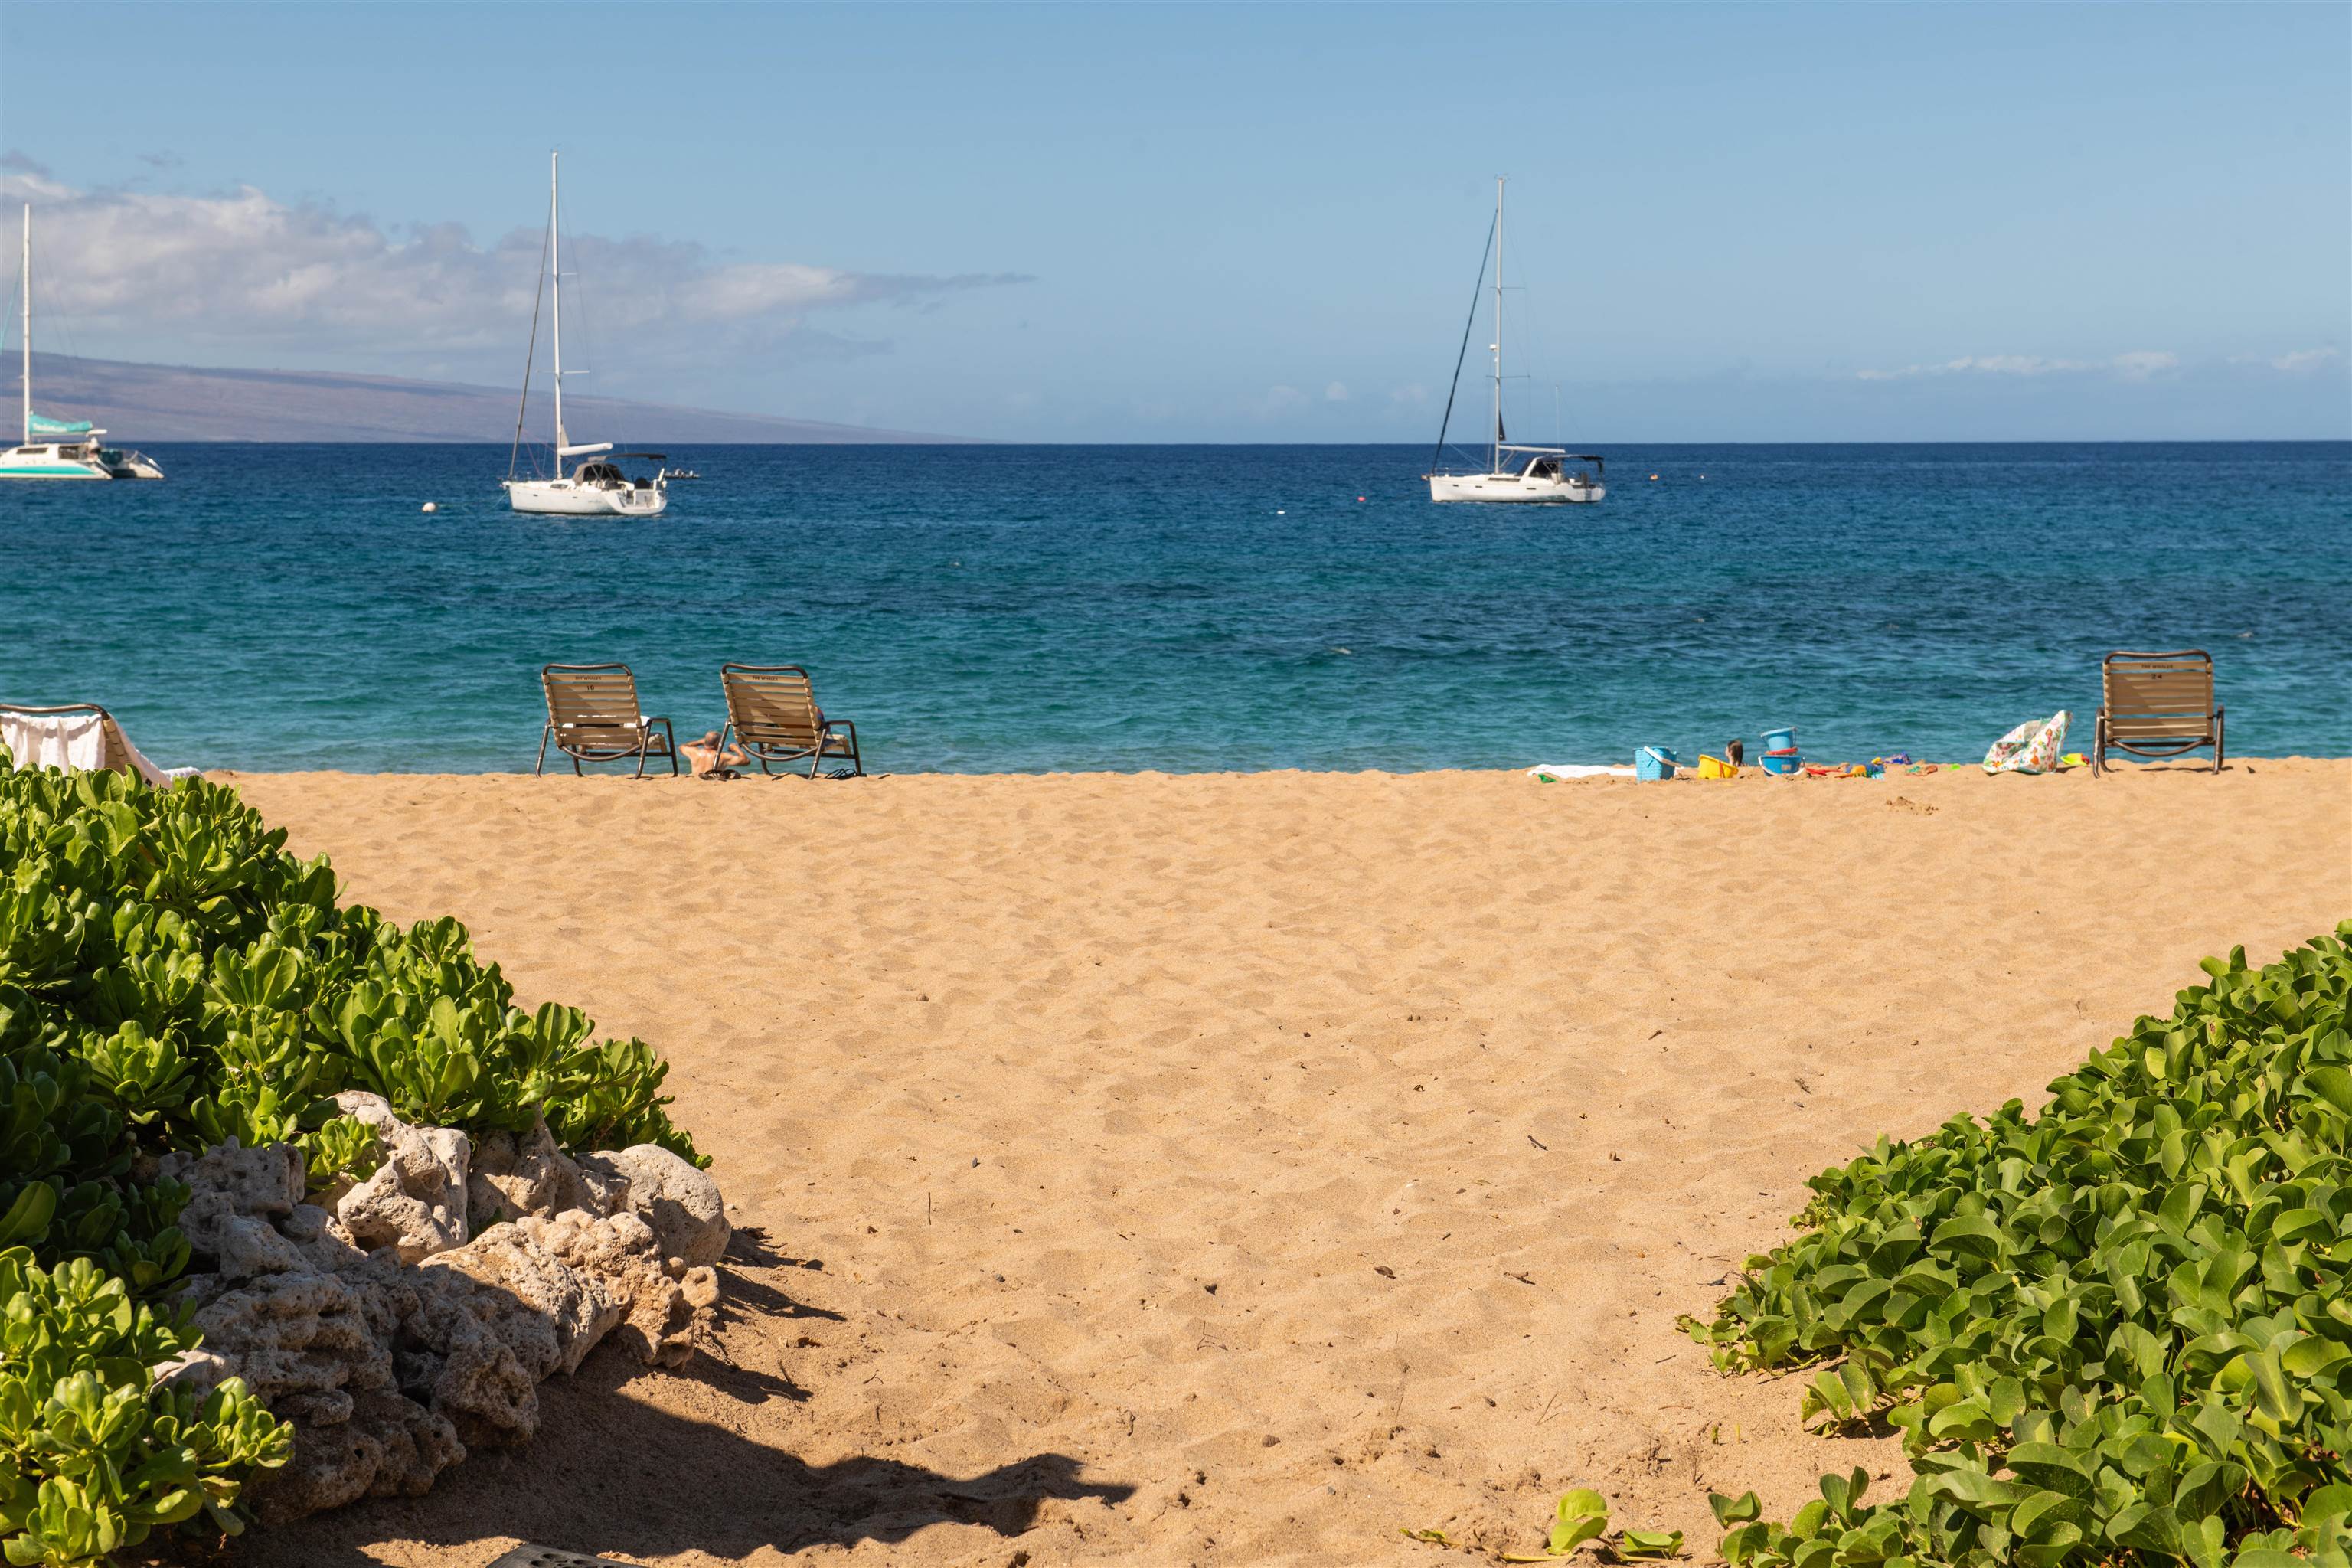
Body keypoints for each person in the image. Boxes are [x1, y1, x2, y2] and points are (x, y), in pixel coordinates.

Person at [679, 729, 748, 779]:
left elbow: (682, 747)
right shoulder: (722, 756)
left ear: (705, 742)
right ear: (717, 744)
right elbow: (745, 761)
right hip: (713, 781)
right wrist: (735, 748)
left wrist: (699, 742)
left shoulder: (695, 753)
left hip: (696, 779)